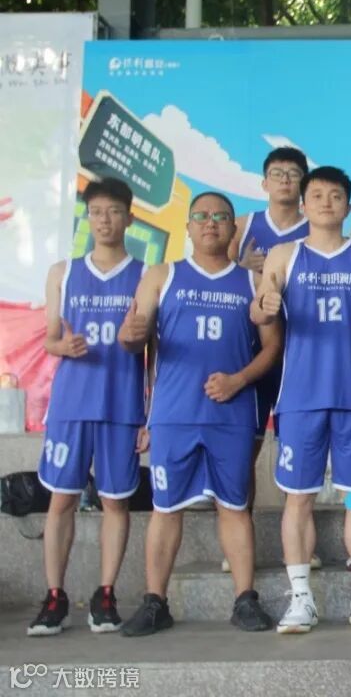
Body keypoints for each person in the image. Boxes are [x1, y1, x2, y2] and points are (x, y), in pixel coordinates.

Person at [118, 192, 280, 636]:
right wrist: (130, 335)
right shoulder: (162, 275)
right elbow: (133, 340)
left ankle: (245, 600)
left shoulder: (252, 281)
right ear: (189, 227)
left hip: (232, 415)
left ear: (232, 228)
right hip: (174, 415)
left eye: (221, 216)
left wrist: (238, 380)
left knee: (235, 507)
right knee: (166, 509)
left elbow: (273, 349)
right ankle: (155, 602)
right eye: (202, 216)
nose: (211, 223)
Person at [254, 166, 351, 634]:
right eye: (317, 195)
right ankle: (301, 599)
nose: (326, 202)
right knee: (298, 499)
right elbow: (260, 309)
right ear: (304, 203)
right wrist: (264, 306)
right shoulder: (284, 255)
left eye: (336, 196)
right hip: (300, 397)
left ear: (348, 206)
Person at [29, 178, 148, 636]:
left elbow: (155, 351)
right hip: (71, 404)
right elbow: (49, 339)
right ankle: (54, 596)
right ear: (87, 217)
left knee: (115, 502)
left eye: (113, 211)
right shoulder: (63, 272)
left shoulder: (146, 275)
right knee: (61, 500)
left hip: (121, 404)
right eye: (96, 211)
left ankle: (105, 594)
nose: (104, 219)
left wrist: (151, 414)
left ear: (129, 218)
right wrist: (63, 346)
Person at [224, 146, 318, 573]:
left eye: (293, 173)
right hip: (255, 350)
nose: (285, 180)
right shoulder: (244, 226)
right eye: (277, 173)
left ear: (303, 183)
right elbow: (218, 273)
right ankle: (238, 544)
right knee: (247, 448)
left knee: (302, 451)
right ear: (264, 182)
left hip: (302, 353)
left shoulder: (317, 226)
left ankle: (299, 546)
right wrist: (242, 267)